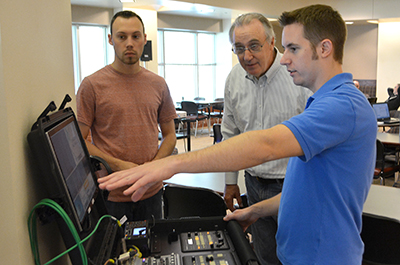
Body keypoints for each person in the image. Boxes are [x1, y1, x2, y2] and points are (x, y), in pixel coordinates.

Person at [98, 4, 377, 264]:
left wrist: (170, 164)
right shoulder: (324, 101)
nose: (285, 59)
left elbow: (265, 144)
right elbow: (309, 190)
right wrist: (256, 210)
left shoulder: (343, 105)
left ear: (325, 48)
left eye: (293, 48)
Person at [223, 13, 311, 265]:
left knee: (296, 256)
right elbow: (230, 133)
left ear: (272, 42)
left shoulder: (298, 77)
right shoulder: (234, 79)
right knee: (264, 256)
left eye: (254, 46)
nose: (246, 56)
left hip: (291, 184)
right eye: (239, 48)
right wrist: (231, 182)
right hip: (253, 183)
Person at [76, 10, 177, 221]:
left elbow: (169, 135)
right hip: (112, 196)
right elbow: (80, 140)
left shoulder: (158, 84)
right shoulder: (92, 85)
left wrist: (153, 169)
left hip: (152, 191)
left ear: (144, 39)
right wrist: (120, 166)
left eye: (135, 36)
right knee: (114, 252)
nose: (129, 43)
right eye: (122, 37)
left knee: (154, 252)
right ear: (111, 40)